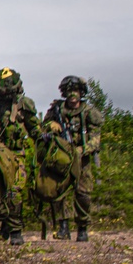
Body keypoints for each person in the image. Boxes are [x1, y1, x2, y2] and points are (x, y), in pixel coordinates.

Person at [0, 67, 40, 246]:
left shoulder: (23, 104)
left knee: (14, 192)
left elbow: (34, 128)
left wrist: (45, 139)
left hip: (15, 156)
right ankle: (5, 221)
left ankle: (15, 230)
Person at [41, 75, 103, 241]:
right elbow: (43, 127)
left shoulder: (89, 113)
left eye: (75, 91)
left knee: (83, 194)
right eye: (69, 91)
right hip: (61, 158)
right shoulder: (57, 110)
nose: (72, 95)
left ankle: (82, 227)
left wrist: (82, 150)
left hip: (81, 159)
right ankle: (63, 226)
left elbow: (96, 140)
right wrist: (51, 126)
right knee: (58, 192)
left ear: (81, 92)